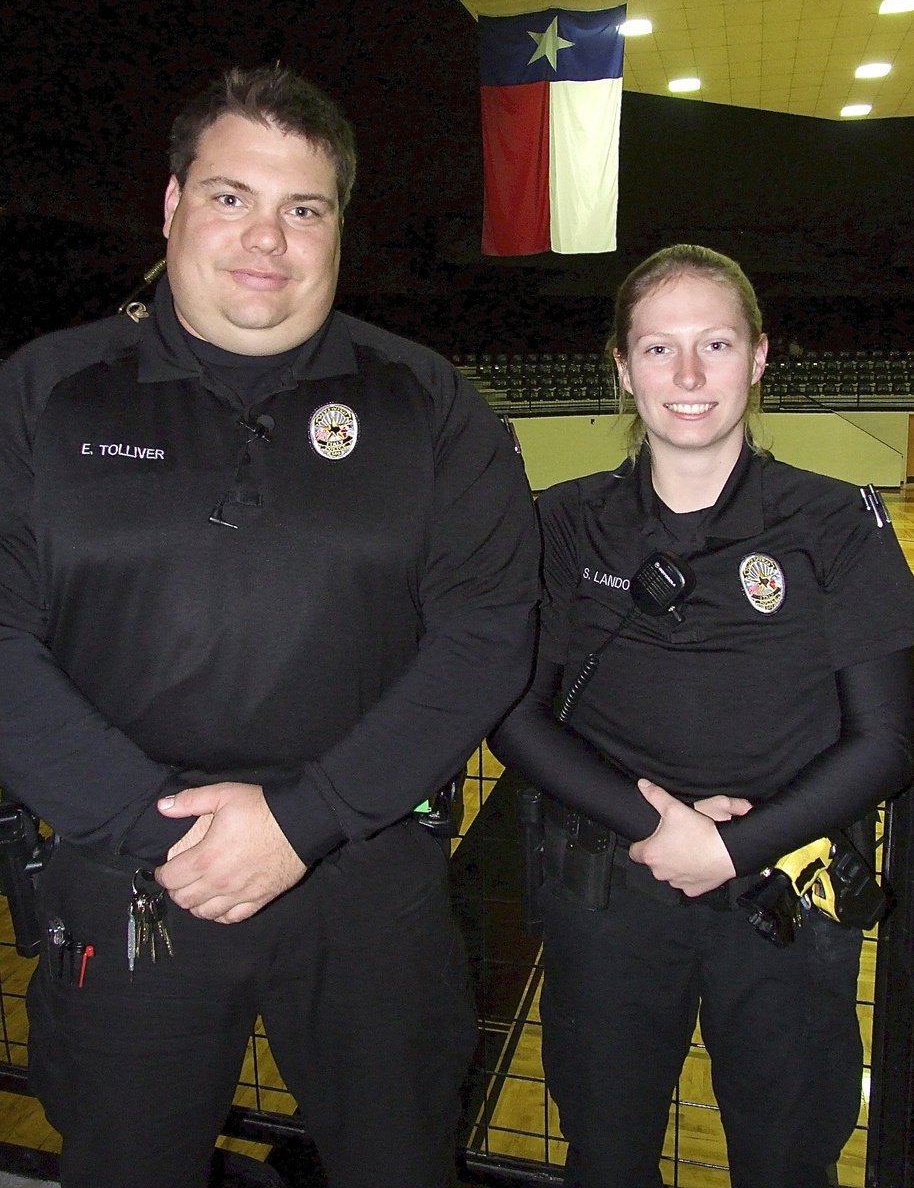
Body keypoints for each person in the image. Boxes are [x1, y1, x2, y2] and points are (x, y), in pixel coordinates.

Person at [0, 66, 539, 1188]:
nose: (268, 238)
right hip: (131, 874)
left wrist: (310, 817)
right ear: (171, 206)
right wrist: (161, 835)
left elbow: (486, 633)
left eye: (304, 209)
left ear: (338, 227)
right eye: (231, 197)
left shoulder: (429, 404)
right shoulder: (43, 395)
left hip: (368, 875)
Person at [489, 244, 914, 1188]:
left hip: (781, 899)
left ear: (759, 357)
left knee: (788, 1156)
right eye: (658, 348)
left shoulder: (836, 522)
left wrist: (733, 847)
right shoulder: (560, 524)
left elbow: (887, 739)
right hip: (609, 897)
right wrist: (661, 827)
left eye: (715, 344)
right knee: (607, 1150)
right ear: (621, 365)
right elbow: (512, 715)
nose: (687, 376)